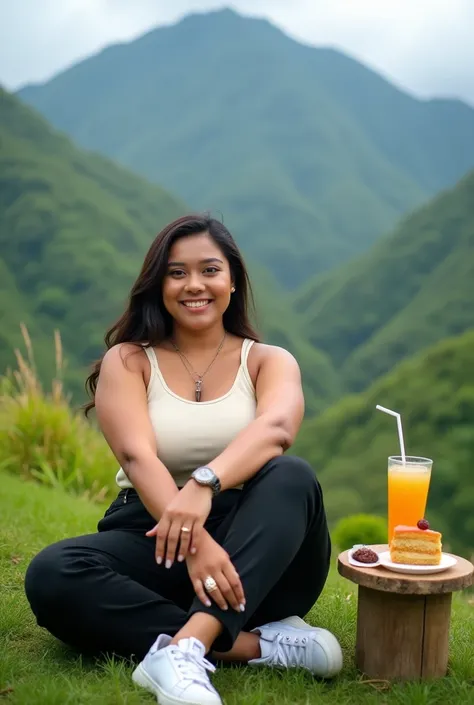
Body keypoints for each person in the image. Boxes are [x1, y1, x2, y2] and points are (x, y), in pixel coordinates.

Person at [24, 214, 342, 705]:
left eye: (209, 270)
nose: (194, 285)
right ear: (159, 284)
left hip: (260, 554)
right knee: (53, 573)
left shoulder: (268, 361)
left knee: (291, 476)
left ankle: (186, 648)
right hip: (156, 536)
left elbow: (277, 429)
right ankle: (257, 646)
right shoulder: (129, 360)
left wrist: (204, 484)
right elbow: (135, 454)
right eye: (177, 273)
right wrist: (194, 544)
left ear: (232, 281)